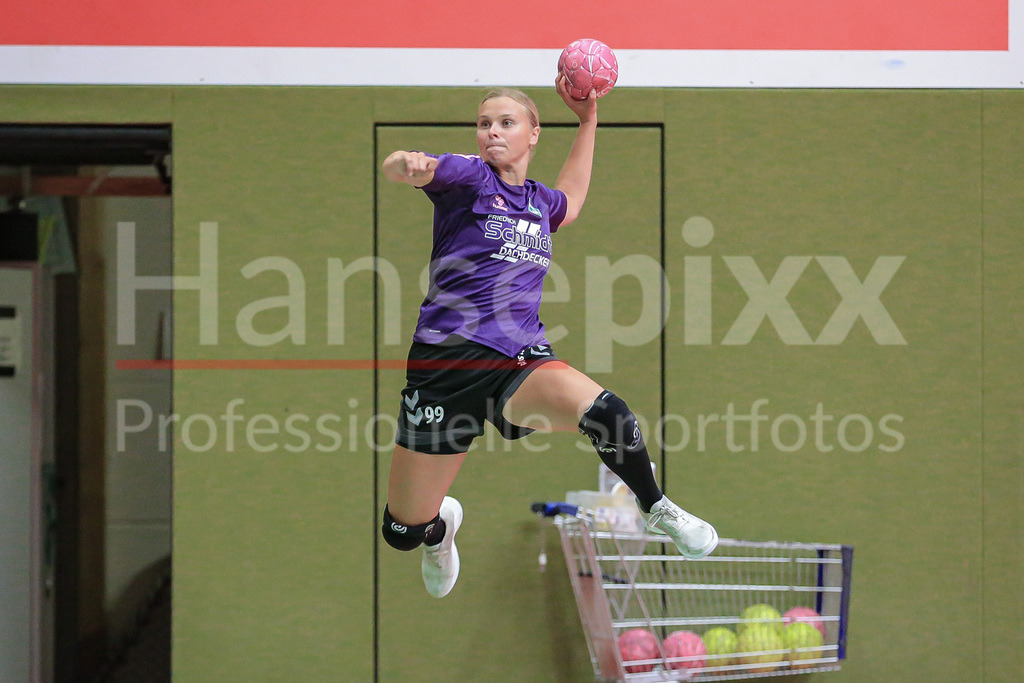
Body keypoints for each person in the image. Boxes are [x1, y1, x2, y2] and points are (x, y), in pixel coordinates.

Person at [380, 76, 718, 598]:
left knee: (608, 414)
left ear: (533, 133)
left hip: (519, 360)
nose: (492, 132)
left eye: (506, 123)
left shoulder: (540, 204)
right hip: (445, 367)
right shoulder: (469, 179)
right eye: (484, 123)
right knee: (401, 532)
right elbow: (403, 165)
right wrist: (405, 164)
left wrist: (588, 121)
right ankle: (440, 529)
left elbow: (574, 199)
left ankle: (656, 507)